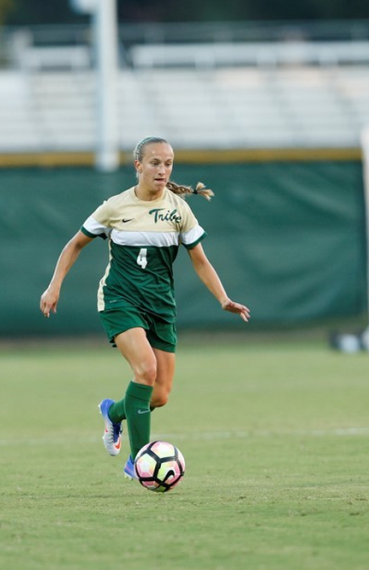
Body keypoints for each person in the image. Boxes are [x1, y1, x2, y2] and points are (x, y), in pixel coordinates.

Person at [39, 136, 250, 480]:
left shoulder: (179, 209)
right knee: (146, 369)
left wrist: (223, 298)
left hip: (161, 305)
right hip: (120, 300)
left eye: (168, 163)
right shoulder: (115, 206)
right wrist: (54, 285)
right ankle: (138, 461)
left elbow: (200, 261)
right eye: (155, 162)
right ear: (138, 166)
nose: (162, 169)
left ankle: (114, 412)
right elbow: (75, 243)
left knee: (160, 394)